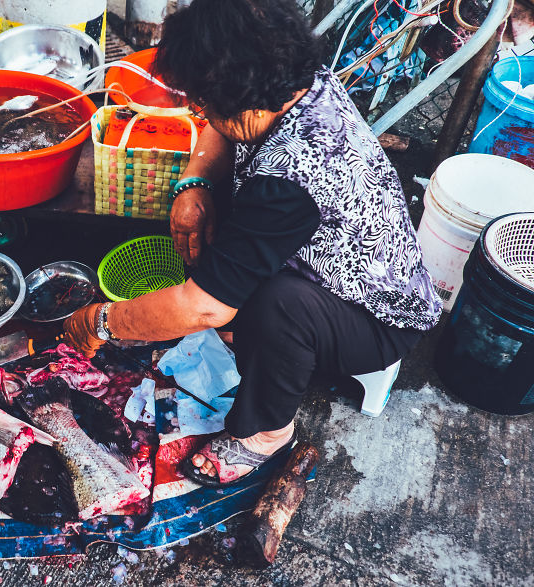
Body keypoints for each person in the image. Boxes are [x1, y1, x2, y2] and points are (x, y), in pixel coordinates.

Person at [62, 0, 443, 487]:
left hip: (375, 321)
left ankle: (267, 433)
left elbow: (203, 309)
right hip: (324, 261)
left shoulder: (295, 176)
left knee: (277, 305)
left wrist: (101, 321)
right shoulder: (289, 82)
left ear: (233, 99)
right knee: (227, 219)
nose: (198, 111)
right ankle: (251, 332)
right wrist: (192, 184)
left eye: (201, 102)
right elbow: (225, 134)